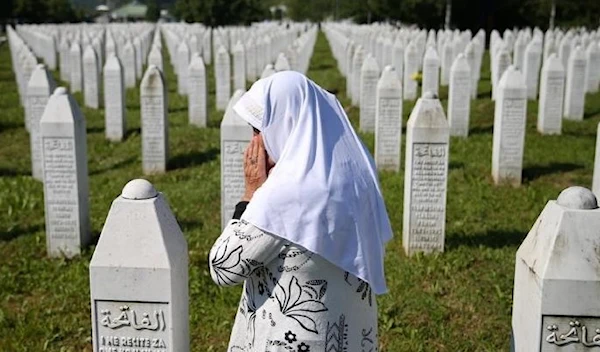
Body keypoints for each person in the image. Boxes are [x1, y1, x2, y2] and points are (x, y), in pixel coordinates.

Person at [209, 71, 393, 352]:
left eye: (259, 130)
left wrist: (250, 195)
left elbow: (223, 267)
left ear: (285, 123)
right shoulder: (357, 173)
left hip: (290, 339)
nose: (254, 142)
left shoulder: (284, 195)